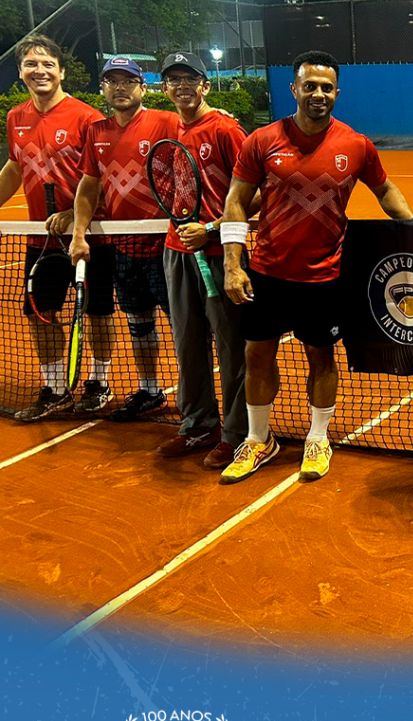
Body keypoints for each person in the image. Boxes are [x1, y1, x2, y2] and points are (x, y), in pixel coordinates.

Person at [219, 49, 413, 484]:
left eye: (327, 87)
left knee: (320, 357)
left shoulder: (356, 145)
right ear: (294, 89)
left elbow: (386, 191)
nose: (318, 94)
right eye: (309, 86)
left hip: (323, 277)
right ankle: (257, 439)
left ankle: (318, 437)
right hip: (266, 272)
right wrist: (233, 264)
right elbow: (236, 201)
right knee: (257, 356)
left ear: (337, 93)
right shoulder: (262, 140)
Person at [1, 34, 115, 421]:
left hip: (92, 235)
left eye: (48, 64)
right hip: (42, 239)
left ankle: (99, 382)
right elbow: (14, 168)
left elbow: (104, 176)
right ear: (20, 72)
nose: (40, 71)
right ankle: (55, 388)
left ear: (62, 71)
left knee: (98, 312)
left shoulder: (88, 118)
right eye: (31, 64)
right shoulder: (16, 118)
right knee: (39, 313)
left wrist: (73, 214)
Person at [71, 58, 179, 421]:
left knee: (184, 326)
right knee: (138, 324)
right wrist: (79, 232)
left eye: (128, 81)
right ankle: (149, 390)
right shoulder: (96, 132)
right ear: (103, 88)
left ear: (143, 88)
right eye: (112, 81)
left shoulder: (167, 122)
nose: (120, 87)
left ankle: (198, 394)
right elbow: (89, 186)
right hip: (124, 248)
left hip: (167, 246)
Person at [157, 52, 251, 469]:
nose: (183, 86)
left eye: (190, 78)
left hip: (220, 253)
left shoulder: (226, 130)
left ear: (205, 85)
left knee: (232, 350)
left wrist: (210, 228)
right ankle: (197, 424)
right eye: (174, 80)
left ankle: (237, 433)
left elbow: (257, 194)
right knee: (188, 345)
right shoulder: (167, 127)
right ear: (164, 88)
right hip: (176, 253)